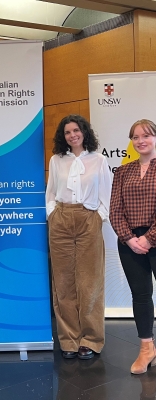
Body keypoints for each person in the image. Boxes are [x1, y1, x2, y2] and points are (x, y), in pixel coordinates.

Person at [46, 114, 111, 360]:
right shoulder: (56, 160)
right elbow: (50, 192)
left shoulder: (98, 159)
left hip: (88, 219)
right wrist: (52, 214)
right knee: (63, 283)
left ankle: (91, 339)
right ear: (63, 137)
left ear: (84, 132)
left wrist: (98, 217)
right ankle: (69, 339)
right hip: (61, 219)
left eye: (76, 130)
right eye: (67, 132)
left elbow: (107, 192)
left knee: (90, 281)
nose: (72, 135)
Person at [110, 119, 156, 374]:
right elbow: (115, 210)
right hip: (129, 243)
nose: (140, 141)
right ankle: (146, 348)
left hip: (154, 238)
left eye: (146, 136)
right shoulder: (123, 171)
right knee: (140, 295)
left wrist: (149, 239)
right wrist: (129, 239)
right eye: (136, 137)